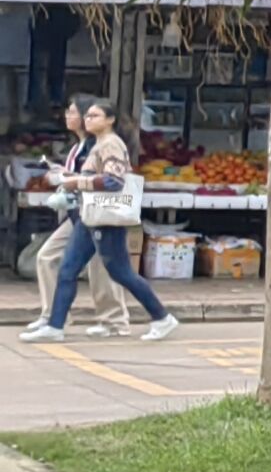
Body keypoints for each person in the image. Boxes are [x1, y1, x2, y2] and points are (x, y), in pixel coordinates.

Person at [26, 95, 178, 344]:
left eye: (94, 116)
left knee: (121, 273)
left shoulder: (111, 145)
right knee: (68, 268)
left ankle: (161, 317)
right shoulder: (98, 144)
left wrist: (75, 181)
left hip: (105, 217)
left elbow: (113, 181)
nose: (88, 119)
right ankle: (55, 325)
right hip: (90, 216)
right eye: (87, 116)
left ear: (110, 120)